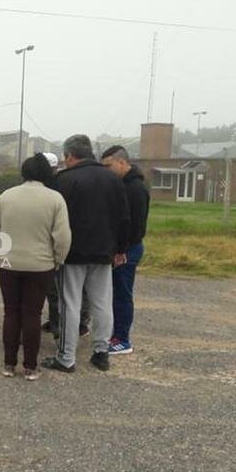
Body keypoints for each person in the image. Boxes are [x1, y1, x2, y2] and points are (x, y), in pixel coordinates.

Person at [42, 134, 130, 373]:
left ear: (70, 155)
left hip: (72, 254)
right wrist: (120, 248)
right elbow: (124, 218)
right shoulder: (113, 179)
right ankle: (101, 353)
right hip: (104, 252)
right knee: (102, 303)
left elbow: (55, 220)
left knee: (70, 303)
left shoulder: (65, 180)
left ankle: (66, 357)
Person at [0, 154, 72, 381]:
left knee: (11, 311)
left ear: (23, 172)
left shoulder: (6, 197)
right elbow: (62, 237)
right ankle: (30, 367)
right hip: (41, 264)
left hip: (8, 263)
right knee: (32, 314)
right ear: (47, 173)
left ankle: (8, 363)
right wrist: (57, 260)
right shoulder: (55, 199)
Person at [101, 145, 150, 355]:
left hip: (127, 250)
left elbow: (135, 227)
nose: (106, 171)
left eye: (108, 166)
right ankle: (115, 333)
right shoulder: (124, 184)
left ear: (121, 162)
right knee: (115, 293)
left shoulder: (135, 189)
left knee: (122, 294)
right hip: (121, 248)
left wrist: (121, 250)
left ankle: (122, 339)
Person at [42, 152, 91, 339]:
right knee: (52, 289)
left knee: (73, 288)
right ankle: (55, 320)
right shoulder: (51, 185)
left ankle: (79, 323)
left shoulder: (63, 184)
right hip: (53, 243)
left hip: (69, 242)